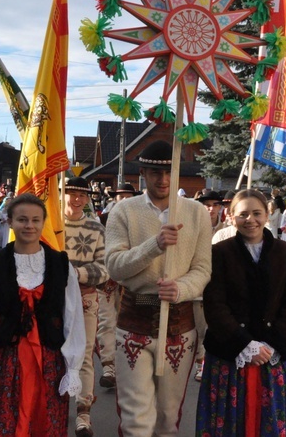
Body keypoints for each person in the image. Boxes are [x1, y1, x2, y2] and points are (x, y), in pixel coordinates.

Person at [104, 140, 212, 436]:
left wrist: (181, 289)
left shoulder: (197, 213)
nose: (163, 180)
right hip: (133, 322)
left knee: (167, 418)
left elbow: (203, 269)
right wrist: (154, 245)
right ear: (143, 173)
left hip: (179, 326)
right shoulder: (123, 211)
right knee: (136, 418)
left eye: (169, 173)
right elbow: (114, 266)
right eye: (155, 172)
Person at [0, 193, 86, 436]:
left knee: (44, 423)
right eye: (22, 220)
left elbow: (73, 317)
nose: (29, 225)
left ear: (43, 223)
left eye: (35, 220)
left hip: (49, 363)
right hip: (5, 363)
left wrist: (73, 368)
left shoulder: (60, 264)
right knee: (7, 425)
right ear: (9, 221)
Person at [196, 189, 286, 436]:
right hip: (230, 354)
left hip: (273, 354)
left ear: (267, 215)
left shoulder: (284, 252)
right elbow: (215, 304)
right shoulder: (219, 252)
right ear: (231, 217)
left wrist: (270, 345)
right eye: (243, 214)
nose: (250, 219)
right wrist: (245, 345)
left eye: (257, 213)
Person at [62, 176, 109, 437]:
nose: (77, 199)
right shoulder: (51, 225)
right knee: (53, 353)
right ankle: (54, 406)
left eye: (82, 195)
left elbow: (104, 268)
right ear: (63, 194)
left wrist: (75, 274)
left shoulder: (96, 228)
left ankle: (83, 412)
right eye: (71, 194)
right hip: (53, 300)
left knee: (85, 355)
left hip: (85, 298)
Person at [95, 182, 138, 389]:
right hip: (107, 280)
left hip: (132, 281)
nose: (125, 200)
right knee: (107, 321)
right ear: (115, 199)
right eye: (121, 197)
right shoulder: (102, 220)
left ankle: (127, 368)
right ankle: (109, 365)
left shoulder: (142, 221)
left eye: (128, 196)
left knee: (129, 325)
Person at [191, 190, 225, 382]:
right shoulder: (192, 229)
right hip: (198, 288)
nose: (210, 209)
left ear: (220, 207)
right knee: (200, 329)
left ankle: (212, 363)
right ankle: (199, 363)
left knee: (216, 328)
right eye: (207, 204)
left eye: (215, 205)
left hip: (220, 288)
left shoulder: (227, 230)